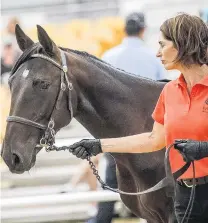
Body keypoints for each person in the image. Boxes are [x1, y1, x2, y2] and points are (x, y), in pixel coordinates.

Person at [67, 13, 208, 223]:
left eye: (162, 44)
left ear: (182, 43)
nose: (158, 53)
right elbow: (153, 139)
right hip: (185, 196)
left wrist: (204, 149)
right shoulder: (169, 91)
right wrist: (99, 145)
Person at [102, 12, 166, 80]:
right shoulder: (156, 57)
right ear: (143, 30)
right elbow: (162, 86)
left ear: (124, 30)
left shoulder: (107, 57)